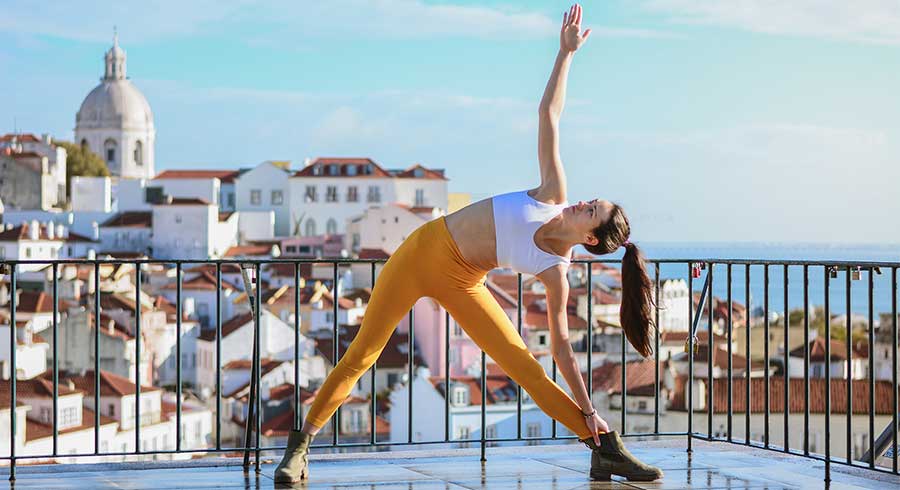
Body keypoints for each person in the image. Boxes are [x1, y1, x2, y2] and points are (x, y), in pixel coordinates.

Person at [274, 3, 662, 483]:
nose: (582, 201)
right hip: (420, 254)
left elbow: (561, 349)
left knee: (527, 369)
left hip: (464, 281)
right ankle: (299, 448)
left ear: (589, 237)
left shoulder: (555, 270)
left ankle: (604, 447)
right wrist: (566, 55)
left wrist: (587, 410)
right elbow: (549, 114)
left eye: (591, 210)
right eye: (591, 200)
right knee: (362, 355)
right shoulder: (553, 192)